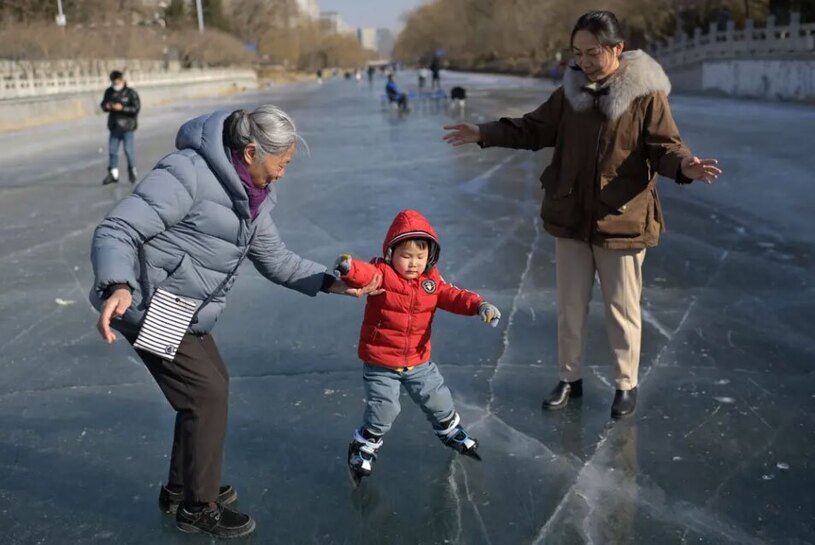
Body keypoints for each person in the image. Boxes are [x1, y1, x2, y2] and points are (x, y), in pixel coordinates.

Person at [90, 105, 382, 538]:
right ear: (249, 152)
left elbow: (276, 259)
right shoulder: (187, 173)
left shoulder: (254, 197)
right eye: (280, 163)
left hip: (184, 307)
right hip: (148, 302)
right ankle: (197, 506)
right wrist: (118, 284)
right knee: (205, 395)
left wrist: (329, 283)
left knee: (210, 388)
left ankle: (182, 487)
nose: (283, 173)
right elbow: (117, 229)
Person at [443, 10, 722, 419]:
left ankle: (626, 384)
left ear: (617, 49)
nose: (585, 62)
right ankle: (569, 378)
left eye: (593, 53)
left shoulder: (645, 96)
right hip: (571, 216)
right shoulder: (570, 94)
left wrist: (685, 167)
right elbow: (532, 129)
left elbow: (665, 147)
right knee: (569, 306)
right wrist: (485, 132)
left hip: (622, 219)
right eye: (578, 53)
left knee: (622, 309)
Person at [333, 209, 501, 484]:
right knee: (385, 408)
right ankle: (364, 445)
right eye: (406, 256)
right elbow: (365, 274)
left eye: (420, 257)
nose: (413, 264)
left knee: (438, 399)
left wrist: (479, 305)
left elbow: (455, 296)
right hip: (381, 361)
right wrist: (350, 269)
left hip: (418, 360)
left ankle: (450, 431)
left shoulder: (432, 283)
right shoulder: (383, 275)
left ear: (429, 258)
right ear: (391, 254)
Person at [100, 70, 140, 185]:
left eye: (117, 81)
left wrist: (122, 108)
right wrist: (107, 106)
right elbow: (103, 105)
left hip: (128, 127)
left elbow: (136, 108)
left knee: (128, 150)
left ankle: (132, 170)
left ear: (122, 80)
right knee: (112, 151)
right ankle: (113, 173)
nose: (115, 84)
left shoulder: (130, 93)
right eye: (113, 82)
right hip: (114, 126)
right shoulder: (109, 92)